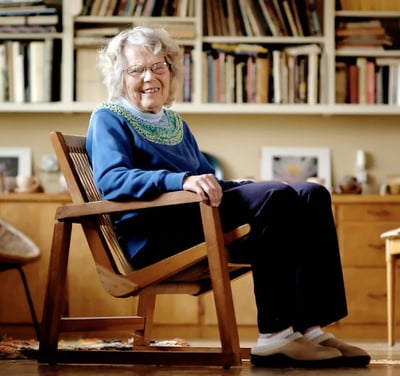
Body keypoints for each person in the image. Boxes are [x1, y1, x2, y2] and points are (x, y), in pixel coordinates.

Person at [86, 26, 370, 368]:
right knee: (275, 196)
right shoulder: (108, 118)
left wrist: (237, 184)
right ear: (120, 76)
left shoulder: (174, 123)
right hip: (155, 237)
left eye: (158, 66)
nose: (150, 77)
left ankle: (312, 330)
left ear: (171, 71)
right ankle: (275, 336)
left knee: (311, 193)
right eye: (137, 69)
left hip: (194, 220)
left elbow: (208, 179)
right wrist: (181, 180)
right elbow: (112, 180)